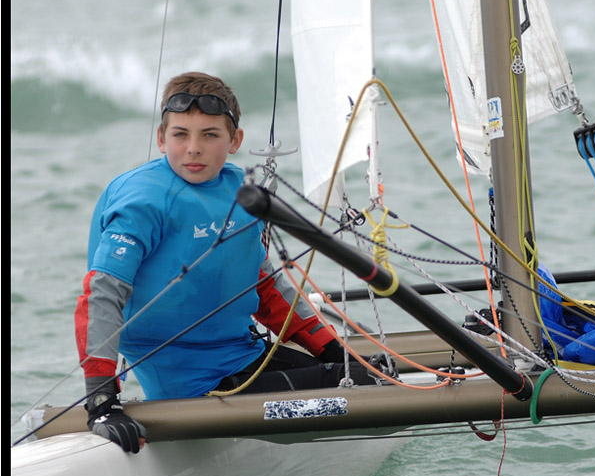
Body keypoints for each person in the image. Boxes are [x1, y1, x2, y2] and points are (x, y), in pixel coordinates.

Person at [75, 72, 377, 453]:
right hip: (193, 386)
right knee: (366, 387)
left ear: (235, 141)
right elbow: (102, 293)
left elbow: (264, 285)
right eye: (180, 134)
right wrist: (101, 401)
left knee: (367, 375)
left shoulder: (241, 189)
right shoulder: (142, 201)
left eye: (210, 135)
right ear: (160, 138)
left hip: (242, 357)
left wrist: (330, 349)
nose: (193, 148)